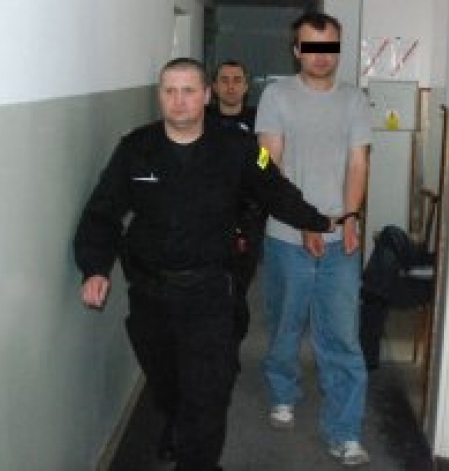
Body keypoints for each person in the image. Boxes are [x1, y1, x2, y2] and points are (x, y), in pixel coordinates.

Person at [73, 57, 338, 471]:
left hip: (210, 292)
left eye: (188, 91)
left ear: (206, 96)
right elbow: (101, 213)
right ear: (160, 96)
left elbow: (275, 189)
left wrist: (316, 221)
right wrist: (94, 267)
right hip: (151, 293)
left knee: (208, 394)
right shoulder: (135, 149)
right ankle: (176, 422)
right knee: (167, 385)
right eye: (170, 91)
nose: (179, 101)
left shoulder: (240, 147)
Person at [255, 12, 372, 466]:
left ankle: (345, 431)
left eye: (330, 47)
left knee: (341, 334)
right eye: (312, 47)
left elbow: (359, 163)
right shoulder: (276, 96)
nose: (322, 57)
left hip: (341, 237)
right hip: (287, 234)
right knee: (286, 322)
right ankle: (283, 390)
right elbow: (268, 163)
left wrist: (349, 217)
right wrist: (304, 220)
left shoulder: (354, 100)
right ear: (296, 50)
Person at [207, 60, 267, 350]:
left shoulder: (260, 121)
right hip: (208, 217)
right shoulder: (202, 121)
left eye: (236, 80)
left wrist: (255, 171)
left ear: (246, 86)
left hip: (247, 216)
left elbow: (267, 159)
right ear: (214, 87)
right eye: (224, 80)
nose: (230, 86)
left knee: (238, 286)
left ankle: (231, 345)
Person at [360, 225, 435, 371]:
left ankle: (368, 358)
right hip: (426, 261)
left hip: (427, 279)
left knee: (375, 289)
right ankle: (371, 287)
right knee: (389, 235)